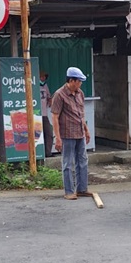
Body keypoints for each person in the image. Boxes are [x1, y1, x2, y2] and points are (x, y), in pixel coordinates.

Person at [51, 66, 91, 200]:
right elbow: (55, 117)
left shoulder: (80, 93)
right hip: (67, 134)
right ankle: (69, 191)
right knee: (68, 163)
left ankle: (82, 189)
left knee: (83, 161)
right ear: (72, 80)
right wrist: (57, 138)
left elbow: (81, 114)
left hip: (79, 132)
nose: (80, 84)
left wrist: (86, 129)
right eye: (79, 81)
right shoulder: (59, 95)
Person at [39, 71, 54, 157]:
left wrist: (50, 100)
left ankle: (48, 152)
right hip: (36, 114)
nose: (43, 78)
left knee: (49, 133)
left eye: (44, 77)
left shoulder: (45, 86)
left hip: (44, 114)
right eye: (41, 77)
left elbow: (49, 96)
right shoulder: (34, 85)